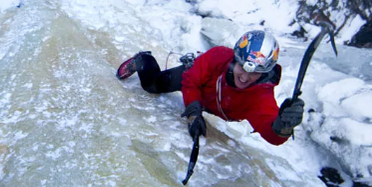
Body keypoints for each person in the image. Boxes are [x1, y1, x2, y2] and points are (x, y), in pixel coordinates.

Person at [116, 29, 305, 146]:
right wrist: (193, 112)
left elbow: (271, 134)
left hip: (211, 100)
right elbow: (190, 81)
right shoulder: (219, 56)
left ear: (264, 74)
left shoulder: (260, 96)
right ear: (235, 59)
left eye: (255, 73)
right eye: (242, 67)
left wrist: (283, 126)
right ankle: (143, 59)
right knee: (152, 85)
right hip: (197, 79)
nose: (245, 77)